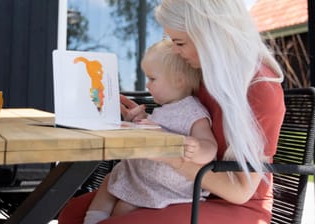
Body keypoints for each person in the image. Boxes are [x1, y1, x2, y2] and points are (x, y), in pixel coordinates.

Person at [58, 0, 285, 224]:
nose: (176, 52)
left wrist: (169, 155)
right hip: (182, 189)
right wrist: (143, 121)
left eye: (179, 43)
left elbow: (241, 190)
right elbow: (181, 121)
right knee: (71, 214)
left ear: (210, 35)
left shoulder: (260, 88)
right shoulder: (203, 75)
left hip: (234, 206)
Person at [83, 39, 217, 224]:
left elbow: (210, 147)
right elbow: (155, 133)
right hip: (143, 176)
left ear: (178, 80)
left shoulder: (193, 111)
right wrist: (136, 122)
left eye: (152, 79)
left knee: (124, 206)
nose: (147, 85)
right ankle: (91, 220)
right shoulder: (164, 109)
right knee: (108, 181)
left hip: (164, 185)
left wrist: (197, 149)